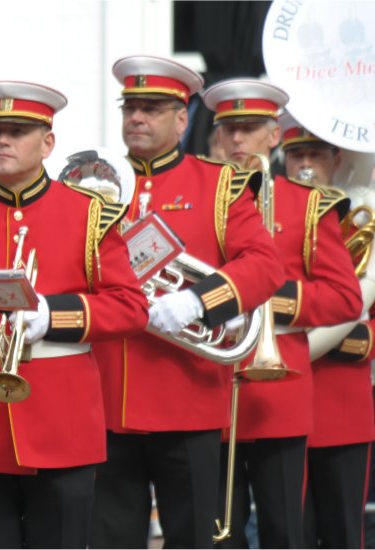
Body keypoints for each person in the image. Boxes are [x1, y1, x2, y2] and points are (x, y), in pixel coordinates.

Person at [0, 80, 148, 549]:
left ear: (48, 143)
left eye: (16, 131)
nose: (2, 141)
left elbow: (132, 307)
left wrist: (54, 315)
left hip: (63, 428)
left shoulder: (89, 215)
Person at [89, 56, 283, 549]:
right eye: (130, 107)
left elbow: (264, 265)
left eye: (151, 108)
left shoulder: (219, 185)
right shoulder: (95, 187)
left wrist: (199, 301)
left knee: (197, 539)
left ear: (182, 119)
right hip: (107, 400)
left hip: (188, 399)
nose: (136, 118)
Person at [202, 79, 362, 549]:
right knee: (217, 536)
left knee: (285, 533)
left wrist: (260, 298)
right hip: (210, 390)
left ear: (274, 136)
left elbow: (344, 298)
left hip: (280, 395)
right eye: (228, 129)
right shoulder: (195, 202)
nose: (236, 141)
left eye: (249, 129)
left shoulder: (311, 205)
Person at [275, 112, 375, 549]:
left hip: (342, 403)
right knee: (289, 533)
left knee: (343, 534)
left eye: (316, 153)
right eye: (297, 154)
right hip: (279, 400)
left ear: (336, 159)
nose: (307, 165)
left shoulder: (358, 222)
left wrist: (355, 339)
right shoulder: (269, 220)